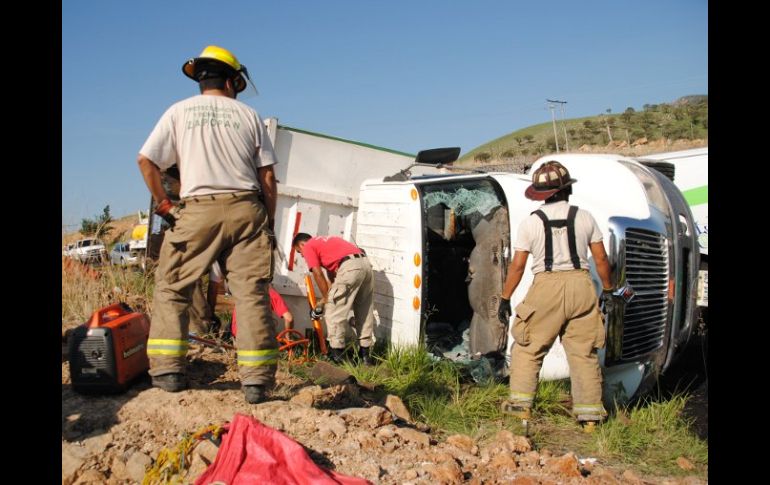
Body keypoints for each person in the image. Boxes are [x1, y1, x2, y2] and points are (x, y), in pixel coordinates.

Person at [137, 45, 279, 404]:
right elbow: (268, 178)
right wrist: (269, 223)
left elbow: (146, 161)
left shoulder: (178, 111)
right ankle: (257, 382)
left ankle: (169, 371)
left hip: (198, 210)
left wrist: (167, 205)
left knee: (173, 287)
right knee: (250, 295)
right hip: (248, 208)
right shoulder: (249, 115)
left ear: (201, 80)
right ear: (233, 81)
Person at [497, 161, 614, 428]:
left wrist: (505, 297)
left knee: (528, 348)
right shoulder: (585, 217)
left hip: (546, 287)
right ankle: (590, 418)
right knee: (583, 353)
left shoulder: (531, 223)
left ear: (541, 195)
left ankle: (520, 408)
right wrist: (607, 290)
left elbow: (517, 265)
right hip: (582, 286)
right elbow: (601, 259)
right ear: (566, 191)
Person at [292, 233, 375, 365]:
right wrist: (324, 301)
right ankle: (365, 357)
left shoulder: (308, 246)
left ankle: (338, 356)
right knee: (364, 311)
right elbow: (333, 279)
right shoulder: (326, 242)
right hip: (365, 264)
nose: (302, 255)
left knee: (333, 312)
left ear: (302, 244)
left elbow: (317, 274)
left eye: (299, 252)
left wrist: (327, 301)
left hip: (350, 267)